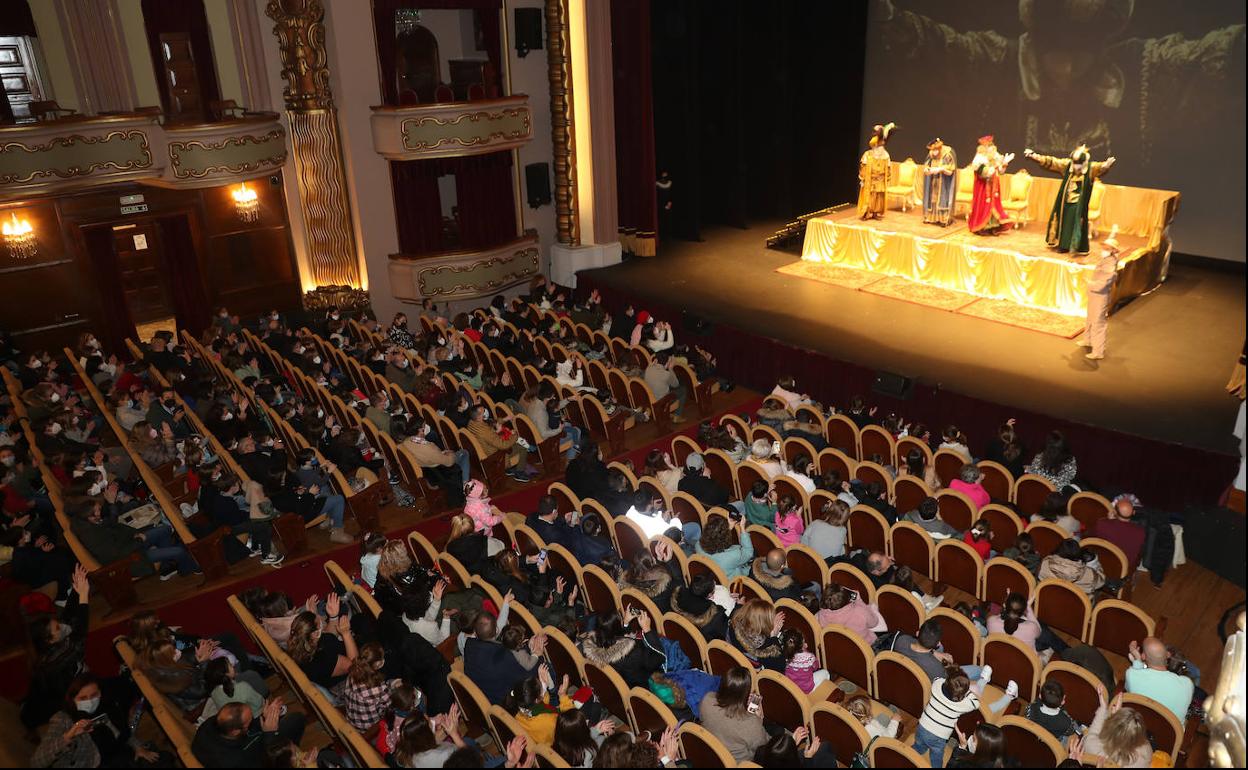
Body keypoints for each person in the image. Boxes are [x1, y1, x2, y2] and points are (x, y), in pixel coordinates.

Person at [31, 673, 160, 767]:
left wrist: (138, 747)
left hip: (121, 757)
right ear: (72, 699)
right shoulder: (63, 719)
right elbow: (37, 761)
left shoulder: (108, 706)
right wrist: (68, 736)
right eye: (83, 698)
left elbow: (124, 733)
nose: (90, 701)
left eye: (94, 695)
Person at [1023, 145, 1116, 255]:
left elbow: (1099, 168)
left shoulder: (1090, 169)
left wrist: (1105, 166)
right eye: (1075, 164)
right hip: (1065, 201)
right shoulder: (1067, 165)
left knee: (1076, 221)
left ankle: (1075, 246)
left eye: (1079, 164)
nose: (1077, 167)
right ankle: (1063, 245)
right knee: (1064, 221)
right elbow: (1053, 162)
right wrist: (1034, 156)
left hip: (1079, 203)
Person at [191, 699, 306, 768]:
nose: (252, 720)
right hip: (260, 760)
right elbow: (265, 760)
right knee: (296, 720)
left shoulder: (214, 723)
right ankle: (290, 756)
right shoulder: (233, 760)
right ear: (235, 731)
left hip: (248, 747)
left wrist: (264, 717)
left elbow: (249, 730)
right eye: (248, 722)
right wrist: (270, 734)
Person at [287, 593, 357, 699]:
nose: (321, 619)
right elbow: (356, 666)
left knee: (359, 620)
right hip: (349, 679)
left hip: (336, 657)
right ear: (314, 634)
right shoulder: (323, 658)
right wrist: (346, 634)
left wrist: (333, 616)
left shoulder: (304, 644)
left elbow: (328, 635)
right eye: (319, 620)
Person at [579, 610, 666, 690]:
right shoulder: (634, 652)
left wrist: (625, 624)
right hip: (641, 686)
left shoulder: (590, 647)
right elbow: (659, 657)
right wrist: (647, 630)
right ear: (617, 627)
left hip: (617, 688)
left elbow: (613, 639)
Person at [698, 666, 769, 762]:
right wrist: (759, 719)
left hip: (711, 754)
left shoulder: (707, 699)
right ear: (745, 693)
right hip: (738, 763)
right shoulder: (751, 723)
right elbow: (763, 749)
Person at [1069, 691, 1154, 769]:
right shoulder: (1145, 752)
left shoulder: (1093, 748)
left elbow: (1090, 735)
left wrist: (1105, 711)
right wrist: (1117, 719)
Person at [1075, 230, 1123, 361]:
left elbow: (1103, 284)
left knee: (1098, 323)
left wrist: (1089, 283)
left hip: (1100, 295)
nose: (1103, 250)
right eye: (1104, 247)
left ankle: (1098, 351)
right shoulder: (1108, 259)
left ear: (1112, 250)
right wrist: (1113, 233)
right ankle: (1088, 340)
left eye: (1106, 248)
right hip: (1095, 294)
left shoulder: (1110, 265)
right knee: (1090, 318)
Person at [1125, 637, 1195, 722]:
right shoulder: (1187, 684)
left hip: (1138, 727)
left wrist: (1137, 661)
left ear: (1143, 656)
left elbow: (1129, 689)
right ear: (1168, 654)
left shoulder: (1132, 675)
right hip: (1172, 734)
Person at [1089, 493, 1147, 573]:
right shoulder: (1141, 532)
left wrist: (1108, 520)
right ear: (1133, 512)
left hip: (1102, 563)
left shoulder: (1102, 524)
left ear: (1115, 512)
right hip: (1123, 568)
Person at [967, 135, 1014, 235]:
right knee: (984, 205)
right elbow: (981, 171)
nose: (990, 148)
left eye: (991, 146)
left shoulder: (995, 156)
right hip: (983, 187)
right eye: (988, 146)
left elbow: (1001, 171)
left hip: (994, 185)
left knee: (995, 205)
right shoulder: (979, 158)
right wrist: (992, 169)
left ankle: (993, 226)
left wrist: (1005, 163)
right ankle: (983, 227)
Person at [816, 584, 882, 645]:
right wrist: (859, 601)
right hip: (865, 647)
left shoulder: (822, 614)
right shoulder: (859, 611)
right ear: (847, 597)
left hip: (840, 647)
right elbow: (874, 623)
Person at [1038, 538, 1105, 597]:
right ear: (1078, 554)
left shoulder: (1044, 564)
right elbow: (1101, 582)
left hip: (1047, 603)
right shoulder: (1090, 575)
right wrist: (1095, 564)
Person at [857, 123, 895, 220]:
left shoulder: (885, 155)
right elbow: (864, 166)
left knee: (878, 196)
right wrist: (863, 177)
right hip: (871, 179)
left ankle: (875, 212)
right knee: (869, 196)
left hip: (880, 179)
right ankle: (866, 212)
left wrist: (887, 177)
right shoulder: (868, 154)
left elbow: (888, 167)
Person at [1023, 680, 1080, 744]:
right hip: (1053, 745)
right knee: (1076, 729)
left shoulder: (1030, 708)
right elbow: (1070, 731)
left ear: (1040, 696)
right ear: (1063, 701)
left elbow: (1028, 713)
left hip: (1033, 741)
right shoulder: (1066, 722)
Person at [921, 137, 958, 226]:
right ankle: (931, 217)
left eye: (935, 150)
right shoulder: (931, 155)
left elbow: (950, 172)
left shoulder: (947, 155)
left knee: (942, 200)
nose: (934, 152)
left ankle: (943, 219)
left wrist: (941, 169)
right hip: (933, 182)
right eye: (932, 150)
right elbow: (926, 167)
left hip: (944, 182)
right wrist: (927, 170)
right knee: (932, 200)